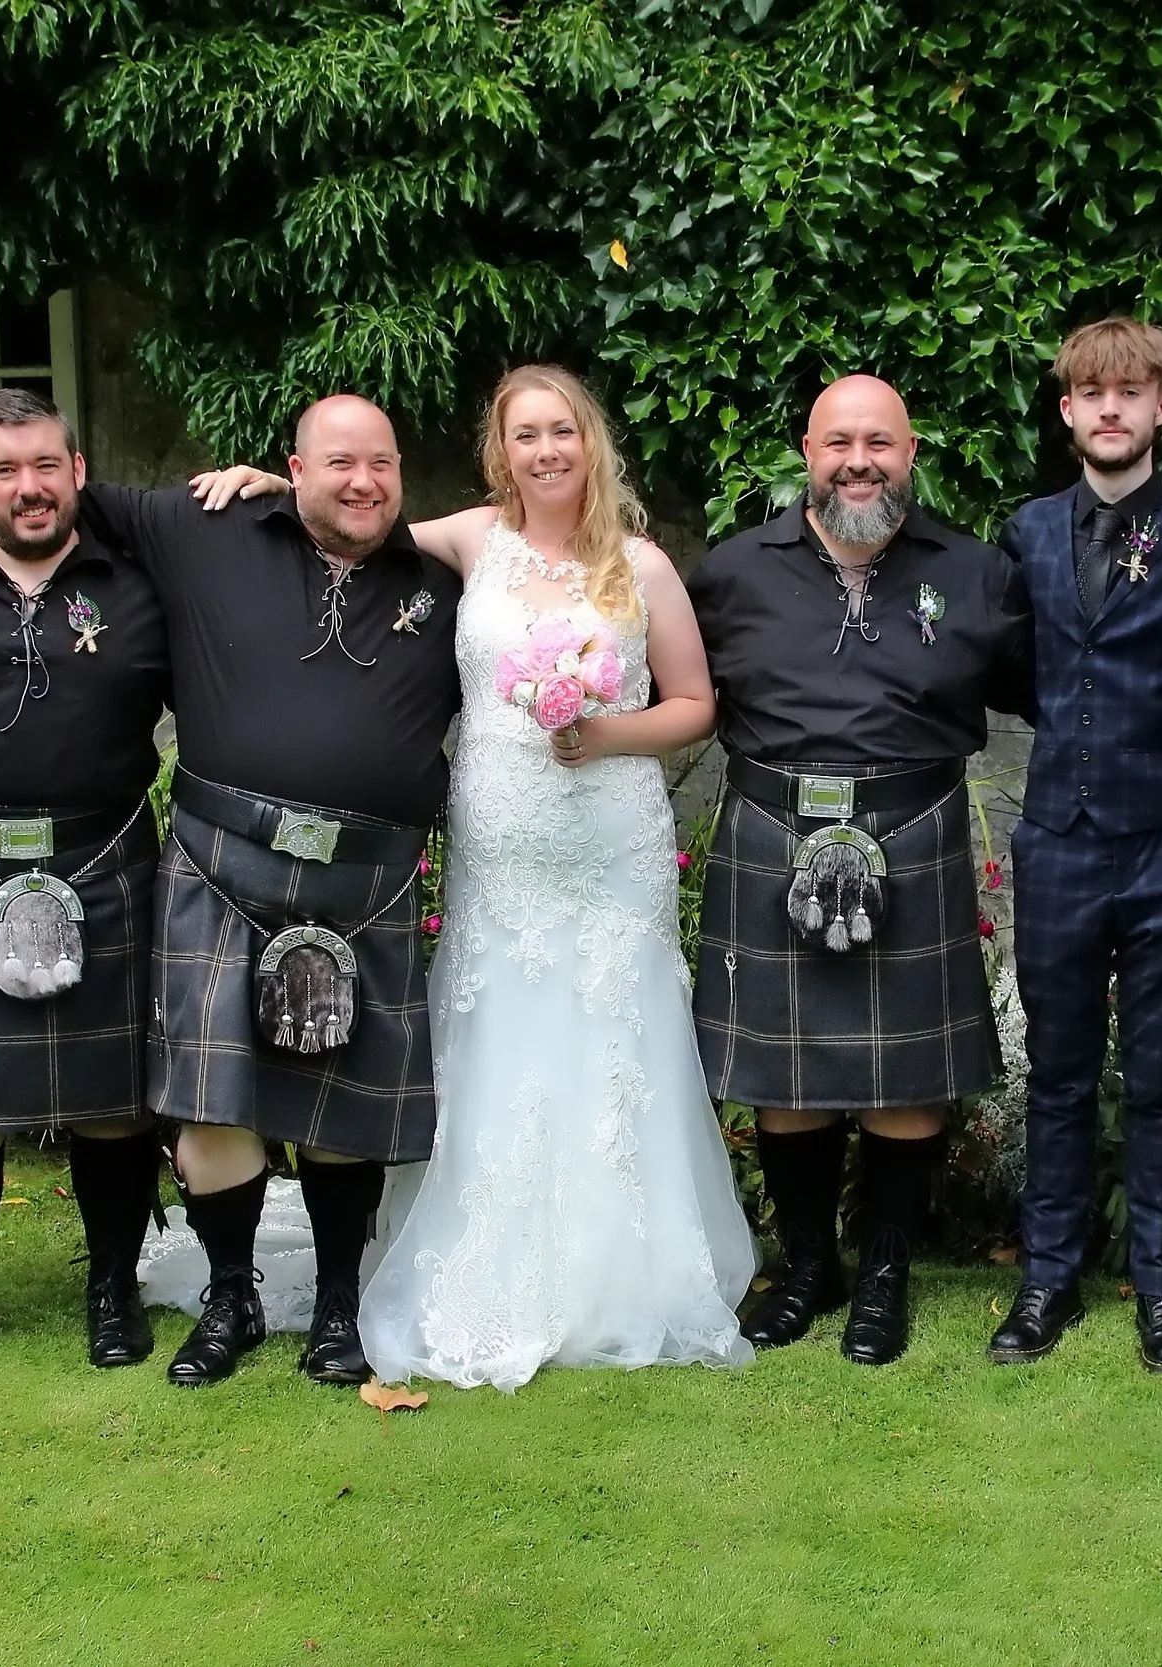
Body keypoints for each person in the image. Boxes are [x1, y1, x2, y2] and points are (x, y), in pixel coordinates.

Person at [0, 394, 461, 1389]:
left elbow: (542, 542)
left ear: (402, 470)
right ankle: (230, 1295)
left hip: (365, 881)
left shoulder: (441, 577)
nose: (360, 480)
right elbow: (40, 500)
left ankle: (337, 1307)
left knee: (340, 1115)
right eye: (336, 462)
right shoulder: (207, 527)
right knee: (207, 1107)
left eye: (378, 462)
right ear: (294, 467)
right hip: (222, 867)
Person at [347, 364, 754, 1389]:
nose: (545, 451)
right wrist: (264, 482)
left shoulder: (642, 566)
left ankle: (625, 1270)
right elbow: (358, 514)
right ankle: (495, 1259)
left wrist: (608, 731)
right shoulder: (470, 542)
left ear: (590, 442)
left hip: (610, 840)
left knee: (613, 1034)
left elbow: (696, 702)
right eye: (524, 435)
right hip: (503, 850)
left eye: (561, 432)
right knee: (507, 1037)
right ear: (502, 450)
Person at [687, 375, 1034, 1367]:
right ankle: (806, 1266)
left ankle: (883, 1272)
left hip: (913, 825)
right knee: (784, 1071)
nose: (858, 459)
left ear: (910, 450)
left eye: (878, 441)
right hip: (770, 823)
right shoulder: (732, 572)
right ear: (806, 448)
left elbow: (1055, 687)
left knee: (904, 1073)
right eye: (839, 440)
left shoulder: (973, 571)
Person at [0, 388, 170, 1381]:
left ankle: (112, 1284)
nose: (29, 486)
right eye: (4, 469)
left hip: (106, 853)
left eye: (46, 464)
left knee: (115, 1099)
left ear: (79, 470)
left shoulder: (140, 582)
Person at [989, 317, 1162, 1373]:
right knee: (1057, 1072)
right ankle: (1046, 1279)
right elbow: (1008, 669)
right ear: (1068, 411)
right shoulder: (1026, 529)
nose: (1111, 409)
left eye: (1132, 392)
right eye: (1092, 393)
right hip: (1056, 840)